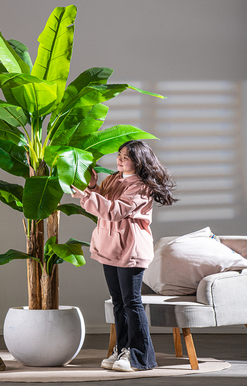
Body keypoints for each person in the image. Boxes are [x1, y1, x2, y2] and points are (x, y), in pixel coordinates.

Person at [71, 140, 177, 372]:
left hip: (131, 249)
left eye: (126, 157)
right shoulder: (113, 179)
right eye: (119, 155)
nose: (119, 159)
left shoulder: (141, 186)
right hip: (110, 248)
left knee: (132, 302)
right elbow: (103, 200)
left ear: (138, 162)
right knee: (118, 302)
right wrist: (90, 187)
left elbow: (115, 211)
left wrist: (86, 196)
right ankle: (123, 349)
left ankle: (140, 357)